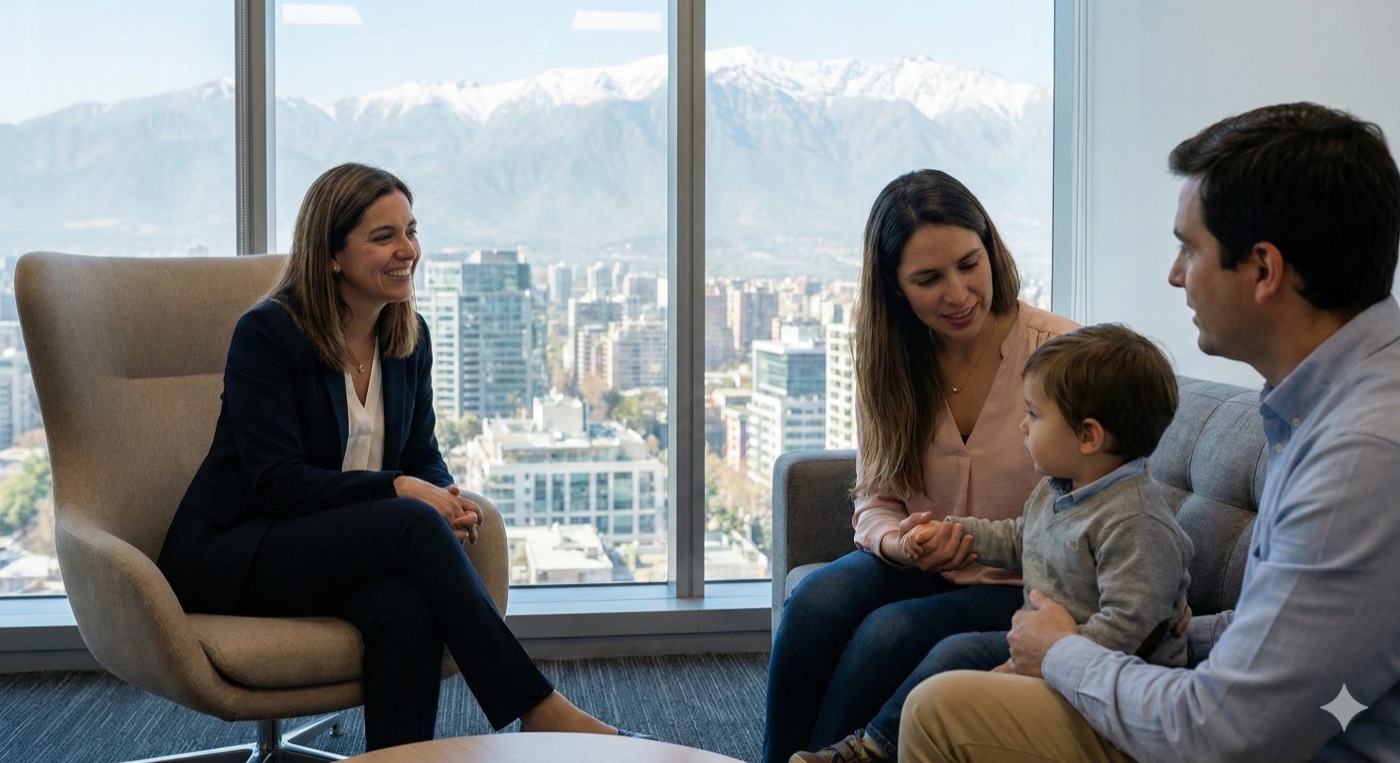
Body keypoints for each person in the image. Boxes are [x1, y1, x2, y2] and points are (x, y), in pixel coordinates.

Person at [899, 102, 1400, 762]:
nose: (1174, 273)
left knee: (943, 709)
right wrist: (1184, 635)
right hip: (1278, 720)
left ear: (1263, 270)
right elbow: (1310, 637)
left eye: (1189, 248)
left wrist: (1063, 652)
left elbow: (1226, 733)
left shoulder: (1357, 455)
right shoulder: (1332, 404)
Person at [157, 162, 648, 751]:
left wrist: (448, 499)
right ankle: (537, 707)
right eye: (383, 236)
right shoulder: (268, 335)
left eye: (411, 231)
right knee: (412, 520)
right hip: (238, 552)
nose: (407, 250)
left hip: (332, 547)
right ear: (331, 253)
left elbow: (422, 454)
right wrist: (402, 492)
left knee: (406, 609)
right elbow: (279, 484)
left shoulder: (407, 336)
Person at [763, 169, 1079, 763]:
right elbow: (877, 498)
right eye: (929, 279)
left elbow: (1097, 504)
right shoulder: (888, 362)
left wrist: (987, 544)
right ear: (896, 287)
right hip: (914, 565)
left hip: (1023, 580)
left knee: (889, 634)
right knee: (814, 604)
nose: (958, 294)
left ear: (991, 248)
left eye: (969, 264)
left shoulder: (1062, 354)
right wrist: (896, 545)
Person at [793, 323, 1191, 763]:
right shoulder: (1061, 488)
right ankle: (865, 747)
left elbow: (1130, 630)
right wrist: (955, 531)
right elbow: (1024, 538)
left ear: (1088, 435)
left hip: (1104, 688)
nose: (1022, 425)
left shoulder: (1134, 520)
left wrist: (1043, 660)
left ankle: (871, 749)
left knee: (955, 652)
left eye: (1035, 415)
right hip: (1054, 650)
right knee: (945, 647)